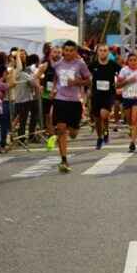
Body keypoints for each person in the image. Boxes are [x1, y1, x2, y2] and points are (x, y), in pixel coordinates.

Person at [51, 40, 91, 173]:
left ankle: (73, 128)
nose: (67, 53)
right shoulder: (57, 64)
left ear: (75, 52)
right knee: (61, 129)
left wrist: (76, 82)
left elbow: (89, 81)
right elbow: (56, 78)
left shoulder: (80, 64)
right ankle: (64, 160)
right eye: (66, 50)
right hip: (60, 100)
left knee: (73, 133)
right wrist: (53, 90)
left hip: (74, 101)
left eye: (70, 51)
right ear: (63, 51)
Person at [88, 44, 121, 150]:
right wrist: (88, 89)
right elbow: (86, 76)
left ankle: (105, 131)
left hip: (109, 94)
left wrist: (120, 85)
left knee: (104, 114)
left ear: (108, 52)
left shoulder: (113, 64)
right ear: (97, 52)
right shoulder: (93, 65)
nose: (103, 52)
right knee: (97, 119)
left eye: (105, 50)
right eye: (101, 50)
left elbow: (123, 74)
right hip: (96, 94)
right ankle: (100, 136)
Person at [117, 53, 137, 152]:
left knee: (134, 119)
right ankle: (131, 130)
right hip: (126, 97)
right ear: (128, 61)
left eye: (135, 60)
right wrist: (128, 80)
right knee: (129, 120)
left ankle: (133, 142)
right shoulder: (124, 70)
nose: (133, 62)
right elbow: (118, 85)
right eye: (131, 60)